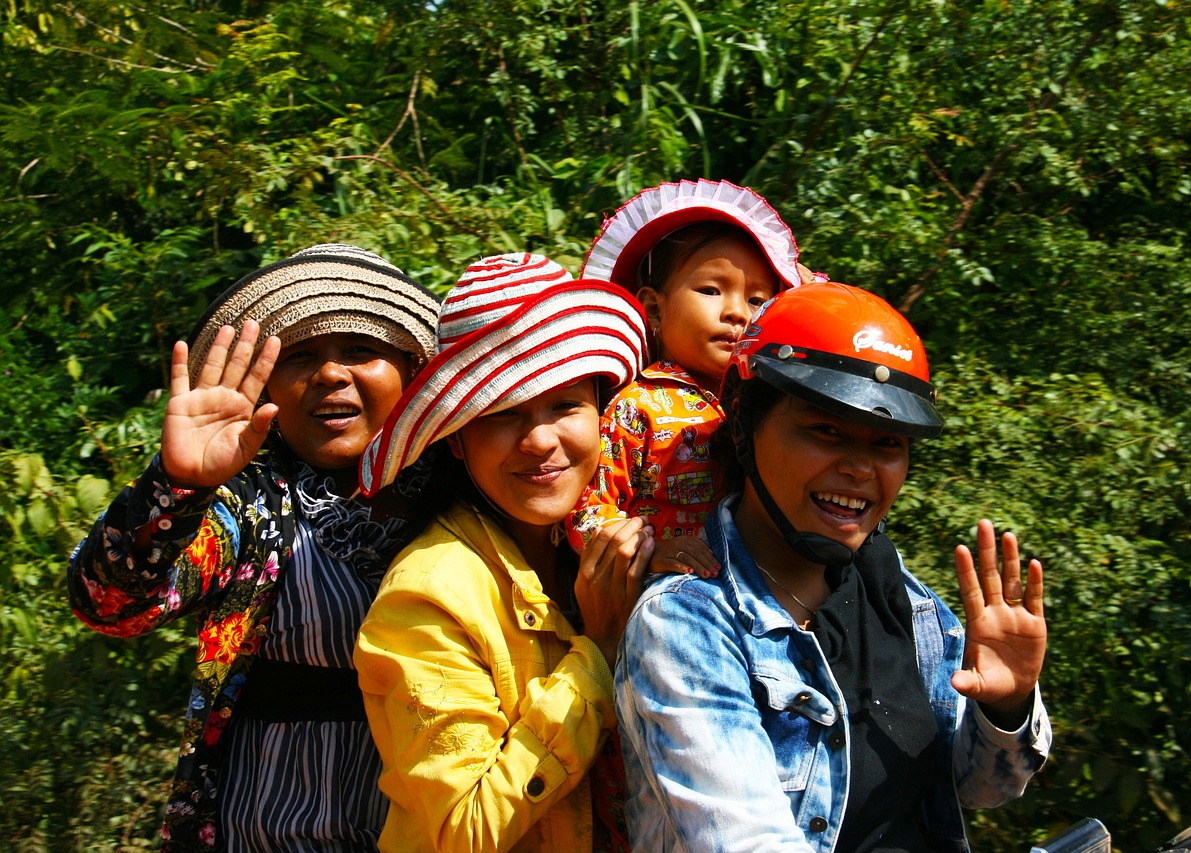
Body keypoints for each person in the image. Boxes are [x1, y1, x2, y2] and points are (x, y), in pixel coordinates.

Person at [614, 282, 1052, 852]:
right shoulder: (687, 622)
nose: (860, 468)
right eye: (826, 431)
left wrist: (1006, 703)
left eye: (888, 443)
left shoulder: (904, 603)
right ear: (744, 425)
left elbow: (983, 789)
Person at [68, 244, 442, 852]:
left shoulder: (463, 493)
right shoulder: (248, 504)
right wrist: (175, 484)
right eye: (299, 357)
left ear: (411, 369)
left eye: (359, 350)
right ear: (265, 384)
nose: (329, 374)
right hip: (267, 827)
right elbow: (110, 603)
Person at [354, 253, 651, 853]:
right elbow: (464, 829)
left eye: (565, 406)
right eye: (504, 416)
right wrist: (596, 655)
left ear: (601, 415)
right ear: (458, 442)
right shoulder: (428, 594)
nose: (541, 441)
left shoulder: (615, 547)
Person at [569, 179, 804, 579]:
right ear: (654, 310)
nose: (737, 313)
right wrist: (651, 552)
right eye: (712, 290)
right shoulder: (635, 408)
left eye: (757, 300)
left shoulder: (764, 406)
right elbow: (586, 513)